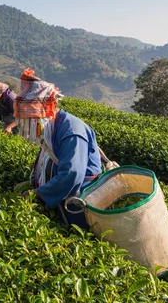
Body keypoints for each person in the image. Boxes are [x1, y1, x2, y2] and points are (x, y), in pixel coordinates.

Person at [14, 69, 102, 229]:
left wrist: (38, 194)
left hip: (80, 203)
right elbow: (45, 160)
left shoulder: (71, 131)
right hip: (61, 196)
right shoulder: (51, 127)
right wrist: (32, 182)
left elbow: (72, 174)